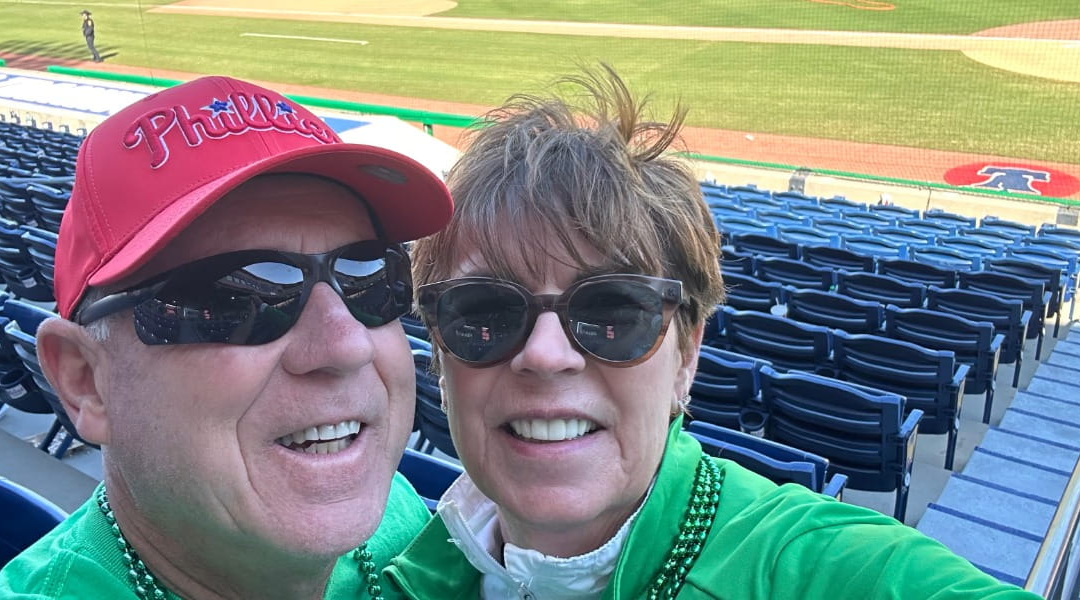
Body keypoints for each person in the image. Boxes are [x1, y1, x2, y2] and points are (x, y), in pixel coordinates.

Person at [385, 66, 1042, 599]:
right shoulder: (384, 576)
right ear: (440, 354)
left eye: (614, 309)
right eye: (484, 312)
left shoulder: (805, 565)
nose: (544, 354)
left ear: (686, 356)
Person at [0, 75, 453, 599]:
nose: (348, 345)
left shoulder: (395, 511)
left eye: (370, 279)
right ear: (86, 381)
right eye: (237, 299)